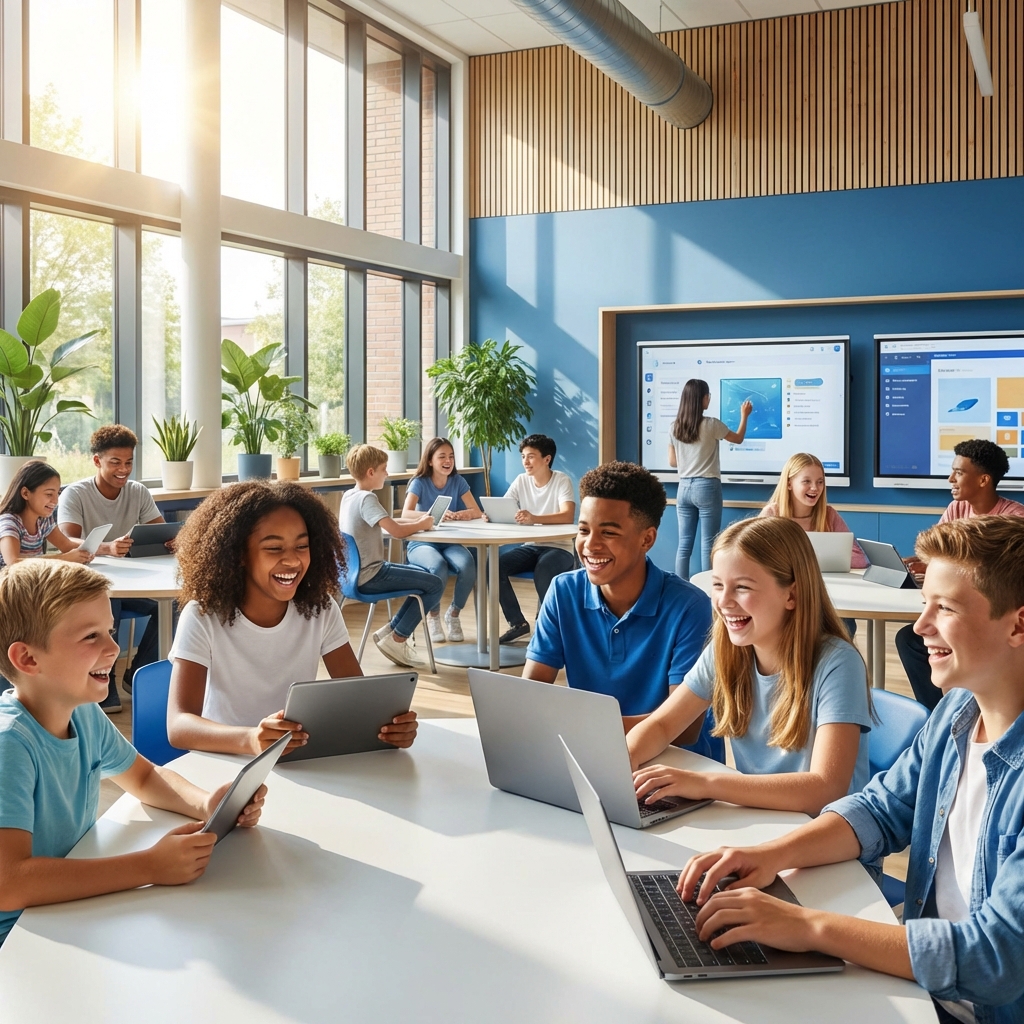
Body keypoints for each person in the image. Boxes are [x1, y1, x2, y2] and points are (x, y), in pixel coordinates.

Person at [676, 517, 1024, 1024]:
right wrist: (769, 855)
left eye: (943, 608)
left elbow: (992, 957)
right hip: (922, 989)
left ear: (1017, 624)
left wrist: (808, 927)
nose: (920, 625)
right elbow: (881, 810)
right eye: (924, 602)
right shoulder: (957, 712)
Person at [0, 560, 265, 947]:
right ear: (27, 659)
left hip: (67, 910)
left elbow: (144, 777)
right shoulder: (10, 744)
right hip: (21, 941)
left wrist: (206, 805)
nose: (114, 647)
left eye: (109, 631)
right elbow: (10, 883)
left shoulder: (83, 713)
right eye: (91, 637)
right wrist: (148, 866)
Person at [628, 516, 873, 815]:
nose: (724, 602)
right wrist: (624, 762)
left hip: (827, 841)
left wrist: (707, 784)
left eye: (742, 587)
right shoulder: (725, 652)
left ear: (791, 595)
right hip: (761, 819)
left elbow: (826, 788)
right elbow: (662, 724)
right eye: (718, 585)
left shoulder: (838, 663)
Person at [167, 481, 417, 755]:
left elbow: (357, 702)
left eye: (302, 546)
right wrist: (251, 739)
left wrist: (388, 728)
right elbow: (178, 726)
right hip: (227, 763)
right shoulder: (203, 616)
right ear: (238, 554)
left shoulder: (320, 609)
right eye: (274, 548)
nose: (293, 561)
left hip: (295, 761)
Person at [523, 462, 716, 751]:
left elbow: (685, 728)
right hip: (593, 752)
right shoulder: (563, 591)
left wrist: (576, 725)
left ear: (646, 539)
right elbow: (531, 694)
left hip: (674, 766)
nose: (590, 545)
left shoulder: (690, 606)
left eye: (608, 533)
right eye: (584, 530)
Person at [897, 439, 1024, 711]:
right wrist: (926, 563)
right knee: (910, 638)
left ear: (983, 480)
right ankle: (938, 714)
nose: (950, 478)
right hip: (960, 607)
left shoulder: (1014, 520)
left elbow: (1000, 577)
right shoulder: (957, 509)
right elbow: (940, 556)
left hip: (988, 616)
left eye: (959, 472)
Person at [57, 425, 169, 714]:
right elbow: (66, 542)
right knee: (109, 602)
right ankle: (106, 684)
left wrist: (174, 540)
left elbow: (162, 531)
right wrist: (106, 547)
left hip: (132, 581)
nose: (124, 470)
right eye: (115, 462)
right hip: (91, 584)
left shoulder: (138, 491)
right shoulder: (75, 494)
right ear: (97, 461)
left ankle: (139, 674)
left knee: (175, 605)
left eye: (129, 462)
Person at [339, 444, 443, 669]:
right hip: (372, 575)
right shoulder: (367, 499)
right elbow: (396, 532)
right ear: (370, 472)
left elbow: (390, 523)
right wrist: (422, 525)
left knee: (426, 578)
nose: (387, 473)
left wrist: (419, 522)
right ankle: (398, 638)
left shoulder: (349, 496)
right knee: (435, 583)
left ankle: (391, 630)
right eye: (384, 469)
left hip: (351, 576)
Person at [759, 451, 866, 636]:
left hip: (826, 594)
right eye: (807, 481)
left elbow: (859, 559)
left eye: (820, 482)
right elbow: (757, 558)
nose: (815, 488)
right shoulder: (772, 515)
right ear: (789, 483)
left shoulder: (829, 515)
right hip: (785, 596)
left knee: (846, 624)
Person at [495, 434, 576, 645]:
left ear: (546, 459)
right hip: (532, 546)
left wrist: (534, 519)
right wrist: (493, 514)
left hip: (560, 547)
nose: (525, 462)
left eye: (531, 456)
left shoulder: (561, 480)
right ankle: (518, 623)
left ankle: (547, 627)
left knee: (544, 568)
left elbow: (567, 515)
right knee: (493, 566)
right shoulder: (521, 480)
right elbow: (506, 507)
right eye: (523, 456)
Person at [401, 437, 482, 644]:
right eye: (442, 456)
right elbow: (406, 513)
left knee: (467, 564)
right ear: (430, 460)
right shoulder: (419, 482)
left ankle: (453, 614)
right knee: (438, 567)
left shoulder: (458, 481)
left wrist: (463, 514)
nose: (448, 461)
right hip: (422, 542)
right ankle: (434, 615)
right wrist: (429, 514)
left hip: (449, 541)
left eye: (451, 456)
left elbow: (476, 511)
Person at [669, 379, 751, 580]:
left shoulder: (674, 427)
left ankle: (680, 589)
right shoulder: (711, 424)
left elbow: (673, 462)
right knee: (709, 544)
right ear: (702, 399)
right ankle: (708, 592)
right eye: (708, 396)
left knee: (684, 543)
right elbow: (738, 438)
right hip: (706, 486)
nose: (709, 399)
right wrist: (744, 415)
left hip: (684, 488)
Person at [0, 460, 100, 567]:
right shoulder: (9, 522)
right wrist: (64, 558)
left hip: (31, 580)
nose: (55, 501)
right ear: (25, 493)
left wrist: (105, 549)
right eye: (49, 494)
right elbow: (13, 561)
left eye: (57, 493)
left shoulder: (43, 520)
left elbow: (66, 545)